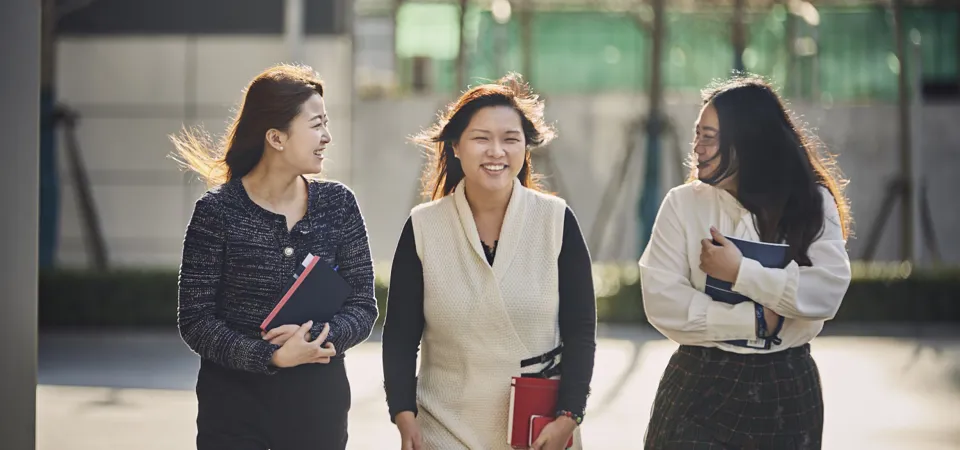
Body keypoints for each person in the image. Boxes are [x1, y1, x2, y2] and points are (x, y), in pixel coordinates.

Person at [381, 73, 597, 450]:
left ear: (526, 149)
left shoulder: (556, 221)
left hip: (538, 430)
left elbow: (581, 330)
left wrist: (569, 416)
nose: (496, 151)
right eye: (481, 138)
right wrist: (403, 414)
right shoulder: (423, 227)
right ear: (456, 147)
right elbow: (400, 337)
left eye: (510, 139)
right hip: (443, 428)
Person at [639, 74, 853, 449]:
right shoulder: (683, 203)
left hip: (786, 387)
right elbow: (661, 299)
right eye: (696, 134)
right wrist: (753, 320)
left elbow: (827, 292)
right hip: (699, 382)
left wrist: (740, 272)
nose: (697, 147)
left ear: (748, 141)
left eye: (709, 136)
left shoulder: (810, 202)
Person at [171, 63, 377, 450]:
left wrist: (315, 337)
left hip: (318, 405)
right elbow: (195, 321)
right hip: (232, 406)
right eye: (316, 125)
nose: (327, 137)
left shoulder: (339, 204)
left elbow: (363, 306)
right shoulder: (217, 212)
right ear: (276, 138)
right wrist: (271, 356)